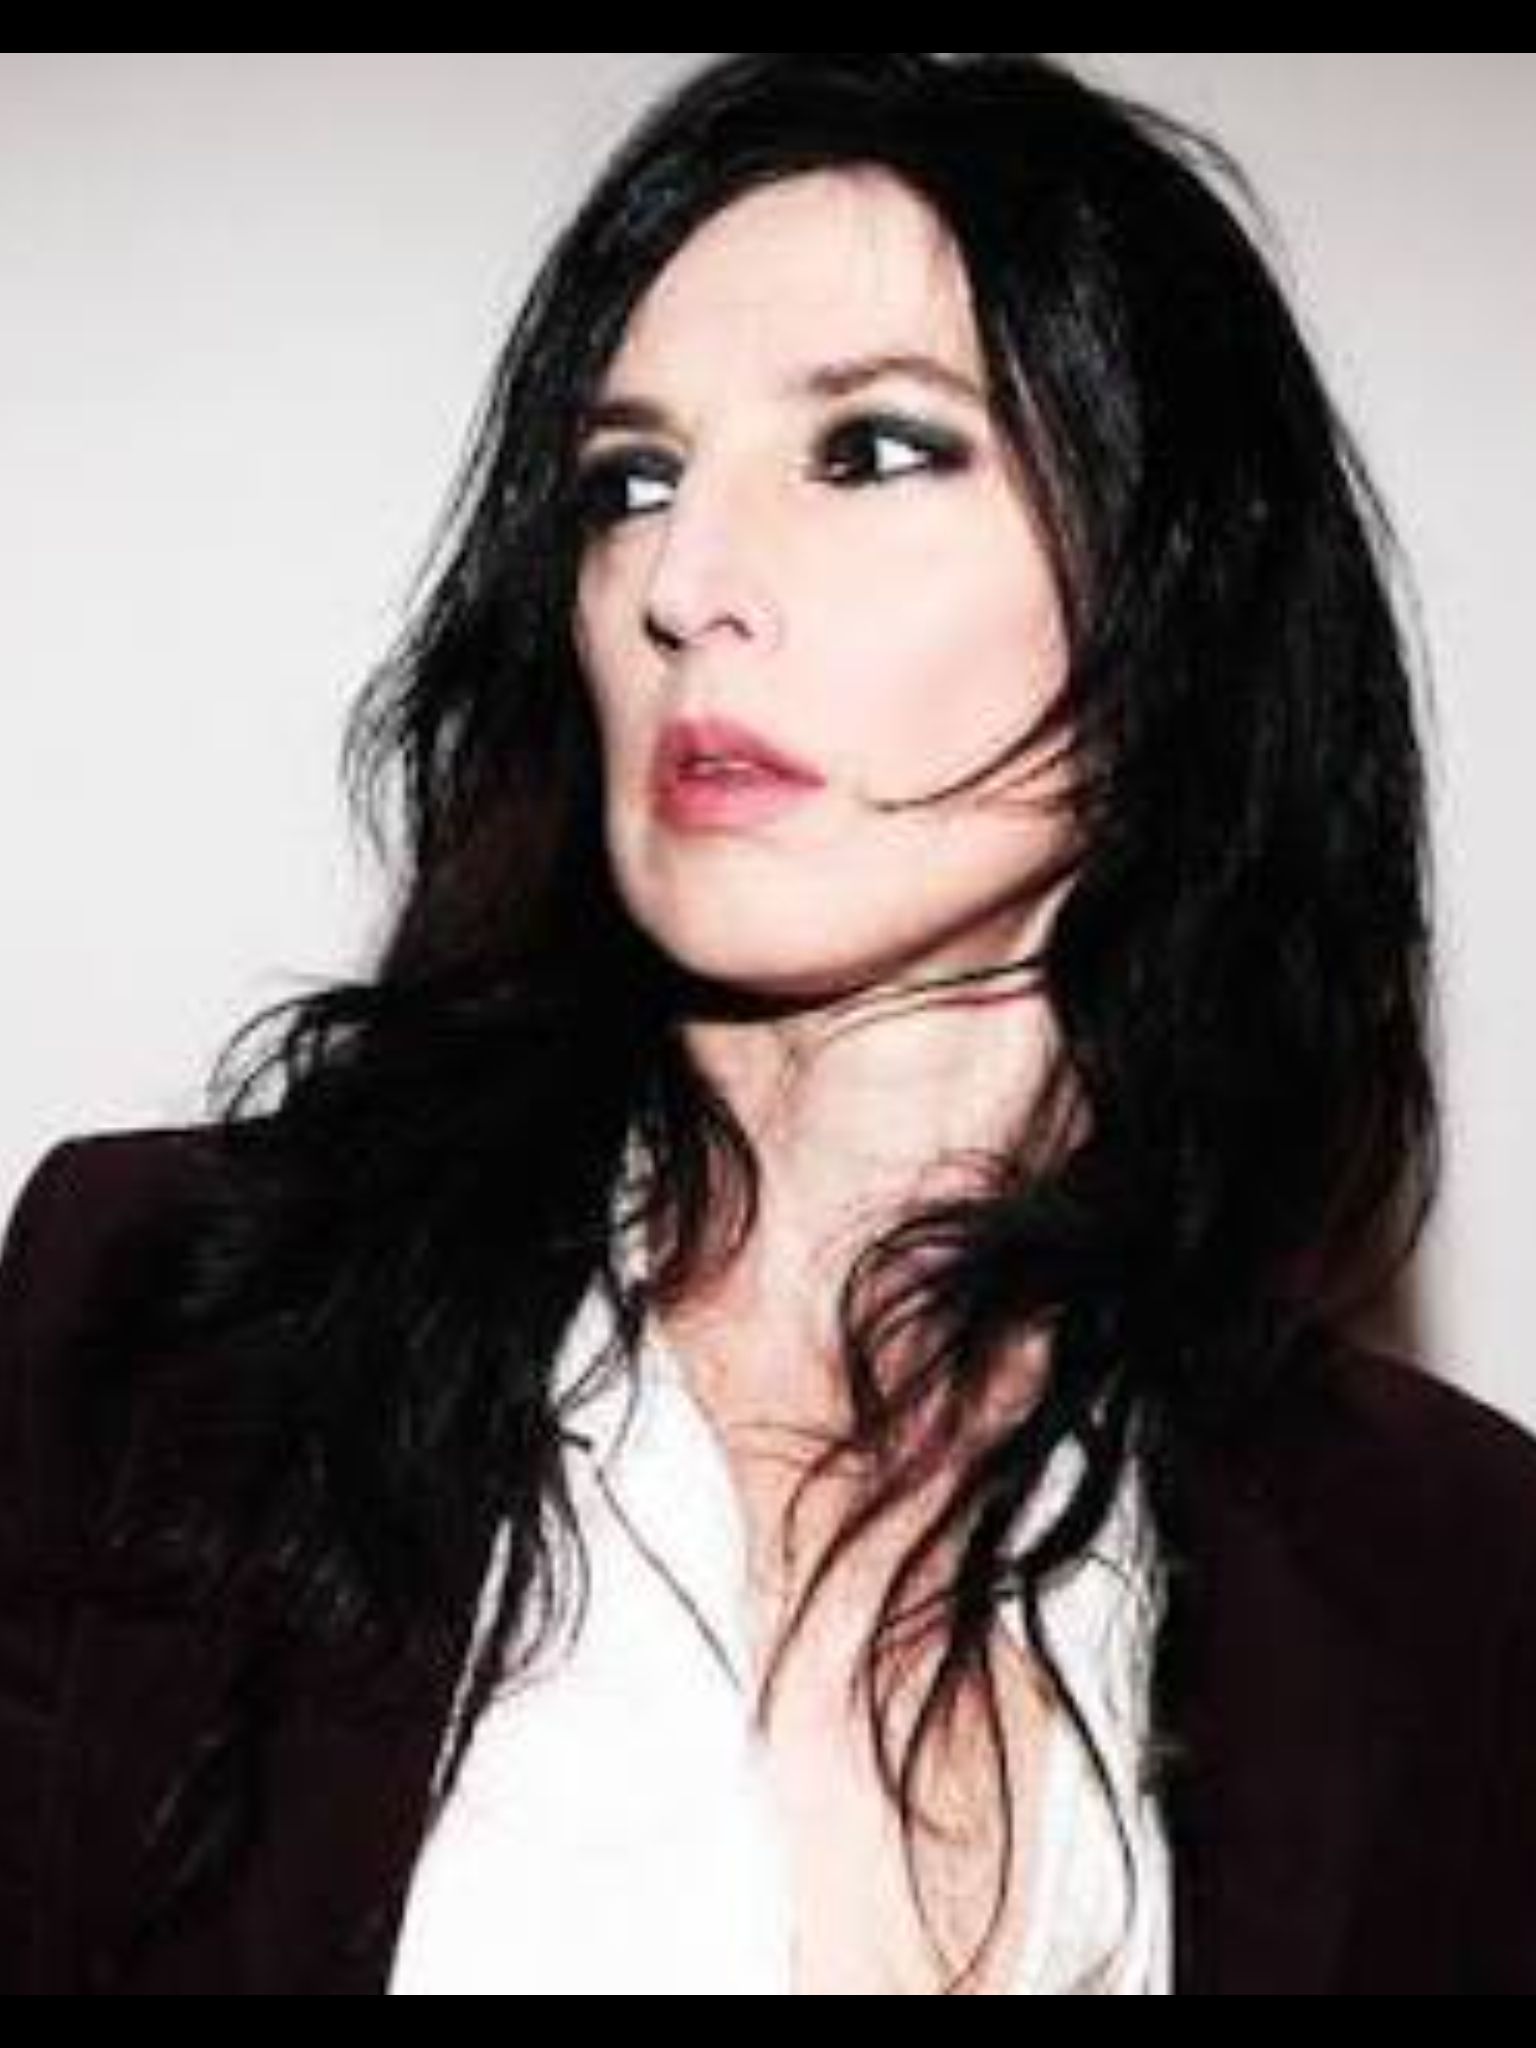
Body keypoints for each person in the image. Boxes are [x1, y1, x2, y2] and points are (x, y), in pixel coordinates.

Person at [2, 50, 1533, 1998]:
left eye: (871, 448)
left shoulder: (1450, 1569)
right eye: (629, 484)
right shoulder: (153, 1330)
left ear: (1177, 593)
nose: (684, 582)